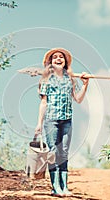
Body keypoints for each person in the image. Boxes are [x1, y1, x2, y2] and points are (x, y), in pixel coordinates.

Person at [35, 48, 89, 197]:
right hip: (51, 121)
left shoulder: (70, 79)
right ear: (50, 62)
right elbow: (43, 103)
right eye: (55, 57)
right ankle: (55, 187)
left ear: (65, 62)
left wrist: (85, 85)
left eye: (61, 57)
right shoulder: (46, 79)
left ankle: (64, 187)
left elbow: (78, 99)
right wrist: (39, 123)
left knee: (63, 153)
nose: (58, 59)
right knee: (52, 152)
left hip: (67, 120)